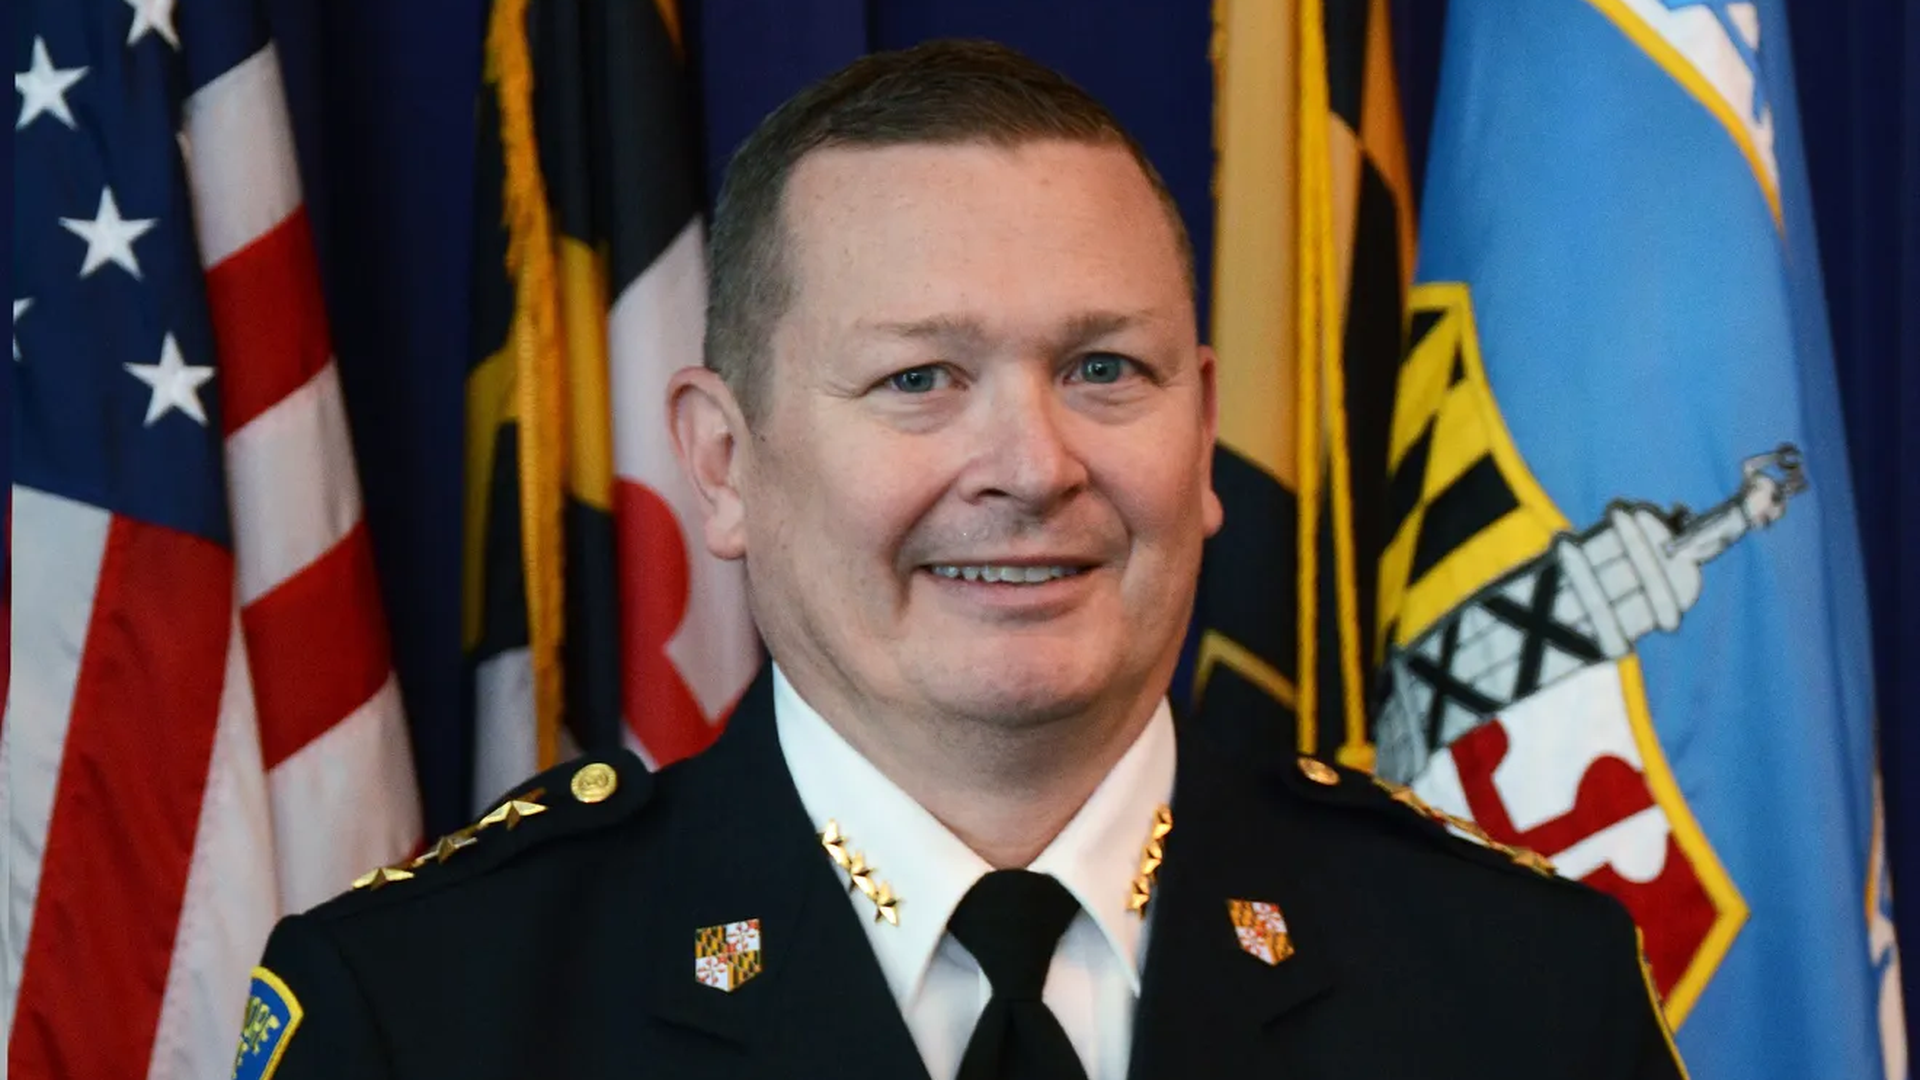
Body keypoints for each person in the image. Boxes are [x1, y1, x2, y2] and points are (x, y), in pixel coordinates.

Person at [232, 39, 1688, 1080]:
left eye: (1106, 368)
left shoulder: (1521, 993)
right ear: (724, 463)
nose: (1036, 464)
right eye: (922, 379)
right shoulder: (427, 1016)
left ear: (1206, 433)